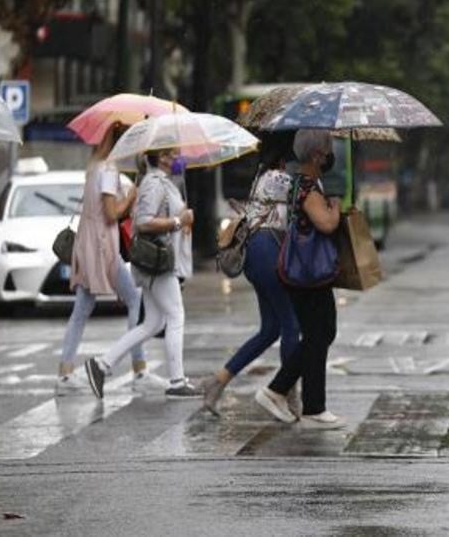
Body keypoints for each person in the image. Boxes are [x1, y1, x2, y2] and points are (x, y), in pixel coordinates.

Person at [85, 147, 198, 399]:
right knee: (176, 315)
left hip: (157, 260)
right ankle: (177, 381)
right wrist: (178, 221)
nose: (176, 157)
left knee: (153, 322)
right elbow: (143, 221)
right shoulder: (154, 182)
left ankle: (102, 364)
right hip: (156, 260)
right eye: (171, 153)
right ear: (160, 157)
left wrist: (181, 220)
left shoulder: (161, 182)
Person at [201, 133, 300, 416]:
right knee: (291, 325)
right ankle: (285, 392)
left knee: (271, 329)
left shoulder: (261, 176)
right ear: (284, 156)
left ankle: (217, 381)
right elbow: (304, 197)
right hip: (268, 253)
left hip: (256, 255)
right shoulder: (279, 179)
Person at [56, 123, 155, 395]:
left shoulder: (94, 167)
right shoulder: (109, 171)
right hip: (102, 246)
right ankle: (139, 368)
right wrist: (132, 196)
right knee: (135, 300)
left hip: (87, 243)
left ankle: (65, 372)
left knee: (82, 309)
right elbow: (112, 214)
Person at [256, 129, 345, 429]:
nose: (330, 156)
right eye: (328, 150)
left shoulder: (300, 183)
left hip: (303, 271)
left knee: (320, 333)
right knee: (320, 332)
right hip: (309, 273)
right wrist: (335, 206)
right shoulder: (308, 187)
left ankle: (294, 397)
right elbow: (327, 224)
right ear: (318, 155)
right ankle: (290, 397)